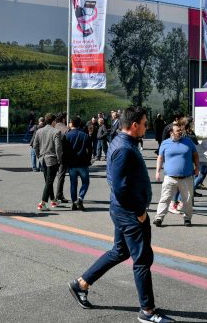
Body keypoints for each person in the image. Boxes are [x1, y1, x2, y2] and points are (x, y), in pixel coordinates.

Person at [68, 107, 175, 323]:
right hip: (129, 213)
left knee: (119, 252)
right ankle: (147, 311)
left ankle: (81, 283)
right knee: (142, 260)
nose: (147, 126)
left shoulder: (121, 141)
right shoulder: (124, 148)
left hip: (121, 209)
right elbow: (119, 186)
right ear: (134, 125)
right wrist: (139, 212)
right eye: (145, 123)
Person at [153, 120, 199, 227]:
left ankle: (187, 218)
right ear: (171, 133)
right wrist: (157, 172)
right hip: (170, 177)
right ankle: (159, 218)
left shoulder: (188, 141)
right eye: (177, 131)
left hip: (186, 177)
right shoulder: (165, 143)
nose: (180, 132)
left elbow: (195, 155)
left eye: (180, 130)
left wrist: (197, 167)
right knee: (165, 198)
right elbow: (160, 158)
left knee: (187, 199)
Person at [33, 113, 63, 211]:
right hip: (52, 159)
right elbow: (58, 147)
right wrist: (59, 159)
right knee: (49, 182)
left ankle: (53, 200)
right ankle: (42, 203)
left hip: (42, 159)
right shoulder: (56, 132)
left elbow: (35, 146)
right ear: (53, 121)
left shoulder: (39, 131)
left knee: (48, 181)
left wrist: (39, 156)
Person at [63, 116, 93, 211]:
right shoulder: (84, 135)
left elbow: (64, 150)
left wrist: (65, 161)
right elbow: (90, 149)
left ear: (72, 123)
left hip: (72, 164)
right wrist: (88, 160)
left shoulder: (67, 135)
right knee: (85, 182)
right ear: (80, 124)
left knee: (73, 183)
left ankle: (74, 202)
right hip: (83, 162)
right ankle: (80, 198)